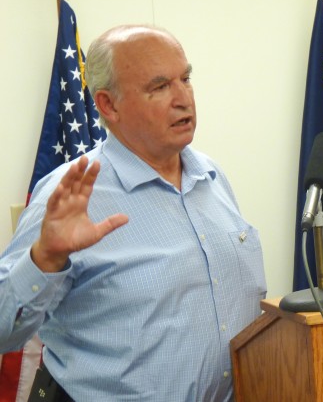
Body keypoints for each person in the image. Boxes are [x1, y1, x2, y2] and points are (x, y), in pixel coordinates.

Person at [0, 25, 267, 401]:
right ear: (108, 105)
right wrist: (44, 259)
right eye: (159, 87)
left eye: (185, 79)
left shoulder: (211, 176)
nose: (183, 99)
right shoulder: (72, 193)